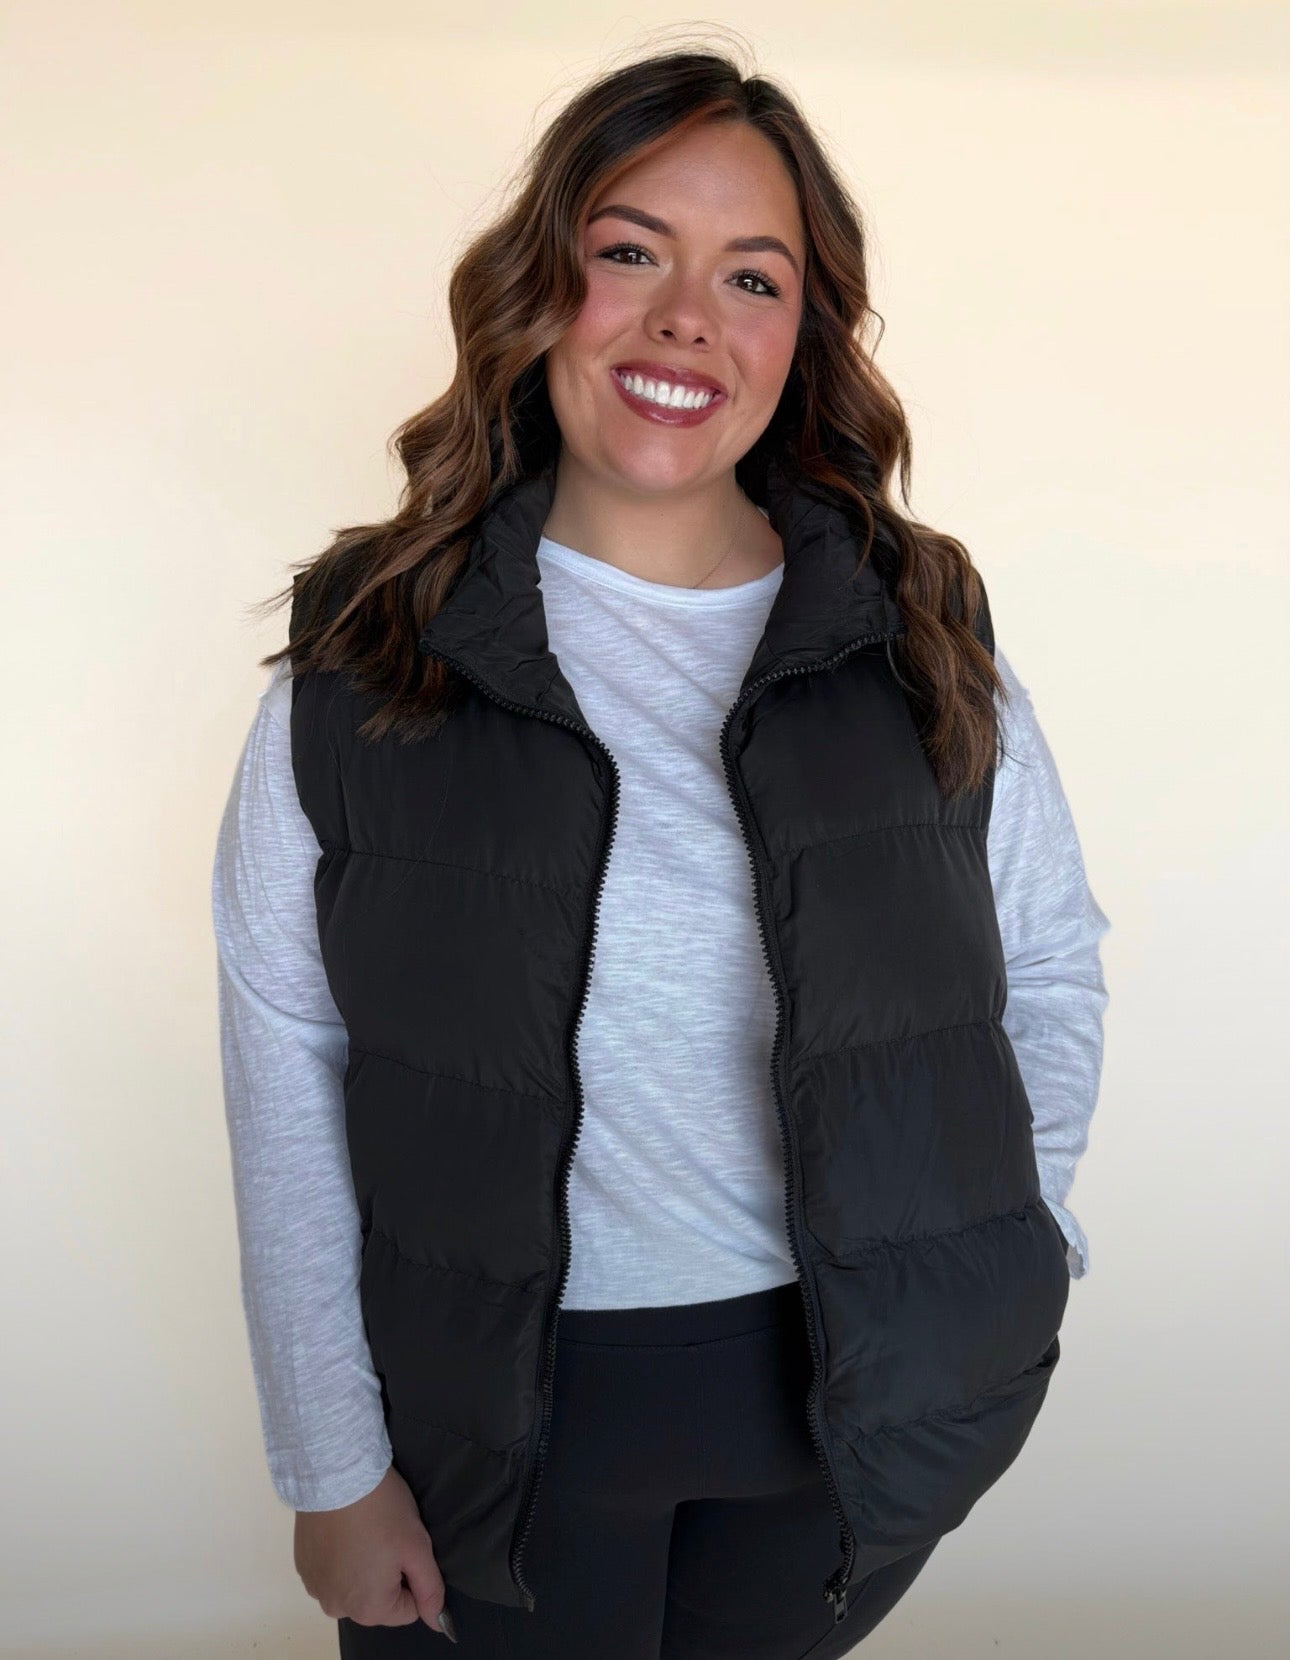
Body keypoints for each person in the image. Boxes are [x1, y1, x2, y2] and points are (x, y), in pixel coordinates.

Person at [212, 45, 1110, 1660]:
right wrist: (330, 1465)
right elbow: (286, 1062)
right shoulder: (369, 654)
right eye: (630, 250)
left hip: (832, 1414)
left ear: (802, 333)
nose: (686, 314)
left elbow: (1042, 969)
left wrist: (994, 1263)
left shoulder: (913, 631)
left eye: (749, 276)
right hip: (495, 1428)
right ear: (542, 287)